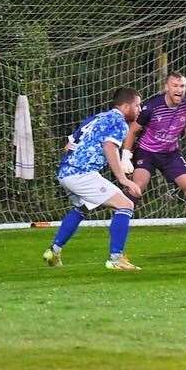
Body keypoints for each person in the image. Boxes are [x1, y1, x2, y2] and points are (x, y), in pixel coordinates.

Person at [42, 87, 143, 270]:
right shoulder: (119, 122)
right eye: (137, 105)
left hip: (65, 172)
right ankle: (116, 259)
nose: (139, 109)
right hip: (82, 173)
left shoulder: (96, 118)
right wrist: (124, 179)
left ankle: (53, 251)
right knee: (125, 205)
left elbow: (68, 146)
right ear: (126, 106)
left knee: (81, 209)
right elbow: (109, 147)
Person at [120, 72, 186, 237]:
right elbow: (133, 130)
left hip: (170, 154)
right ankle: (119, 224)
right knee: (136, 189)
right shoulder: (152, 106)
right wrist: (126, 156)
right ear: (167, 87)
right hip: (147, 153)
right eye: (175, 86)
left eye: (182, 86)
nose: (179, 90)